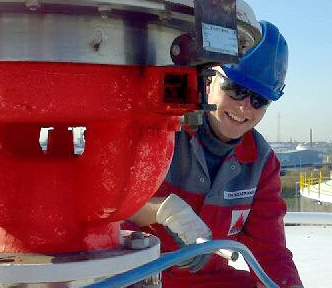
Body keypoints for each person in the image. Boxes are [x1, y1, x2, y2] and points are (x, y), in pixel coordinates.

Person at [127, 20, 303, 288]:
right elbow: (110, 209)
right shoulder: (163, 133)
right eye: (236, 90)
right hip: (139, 276)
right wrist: (163, 210)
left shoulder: (260, 164)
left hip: (209, 281)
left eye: (259, 99)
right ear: (209, 78)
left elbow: (269, 253)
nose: (244, 108)